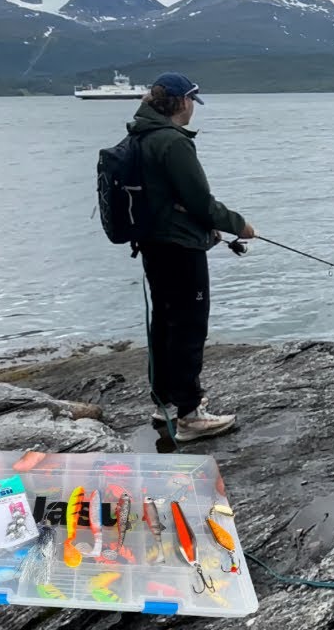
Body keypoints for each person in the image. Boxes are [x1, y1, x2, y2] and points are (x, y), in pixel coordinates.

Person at [130, 72, 255, 442]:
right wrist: (239, 225)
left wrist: (206, 229)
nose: (192, 111)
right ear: (182, 102)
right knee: (188, 325)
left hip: (154, 244)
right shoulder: (172, 142)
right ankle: (189, 414)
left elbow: (168, 199)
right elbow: (200, 200)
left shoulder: (138, 136)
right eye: (191, 103)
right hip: (179, 249)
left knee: (166, 321)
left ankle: (165, 402)